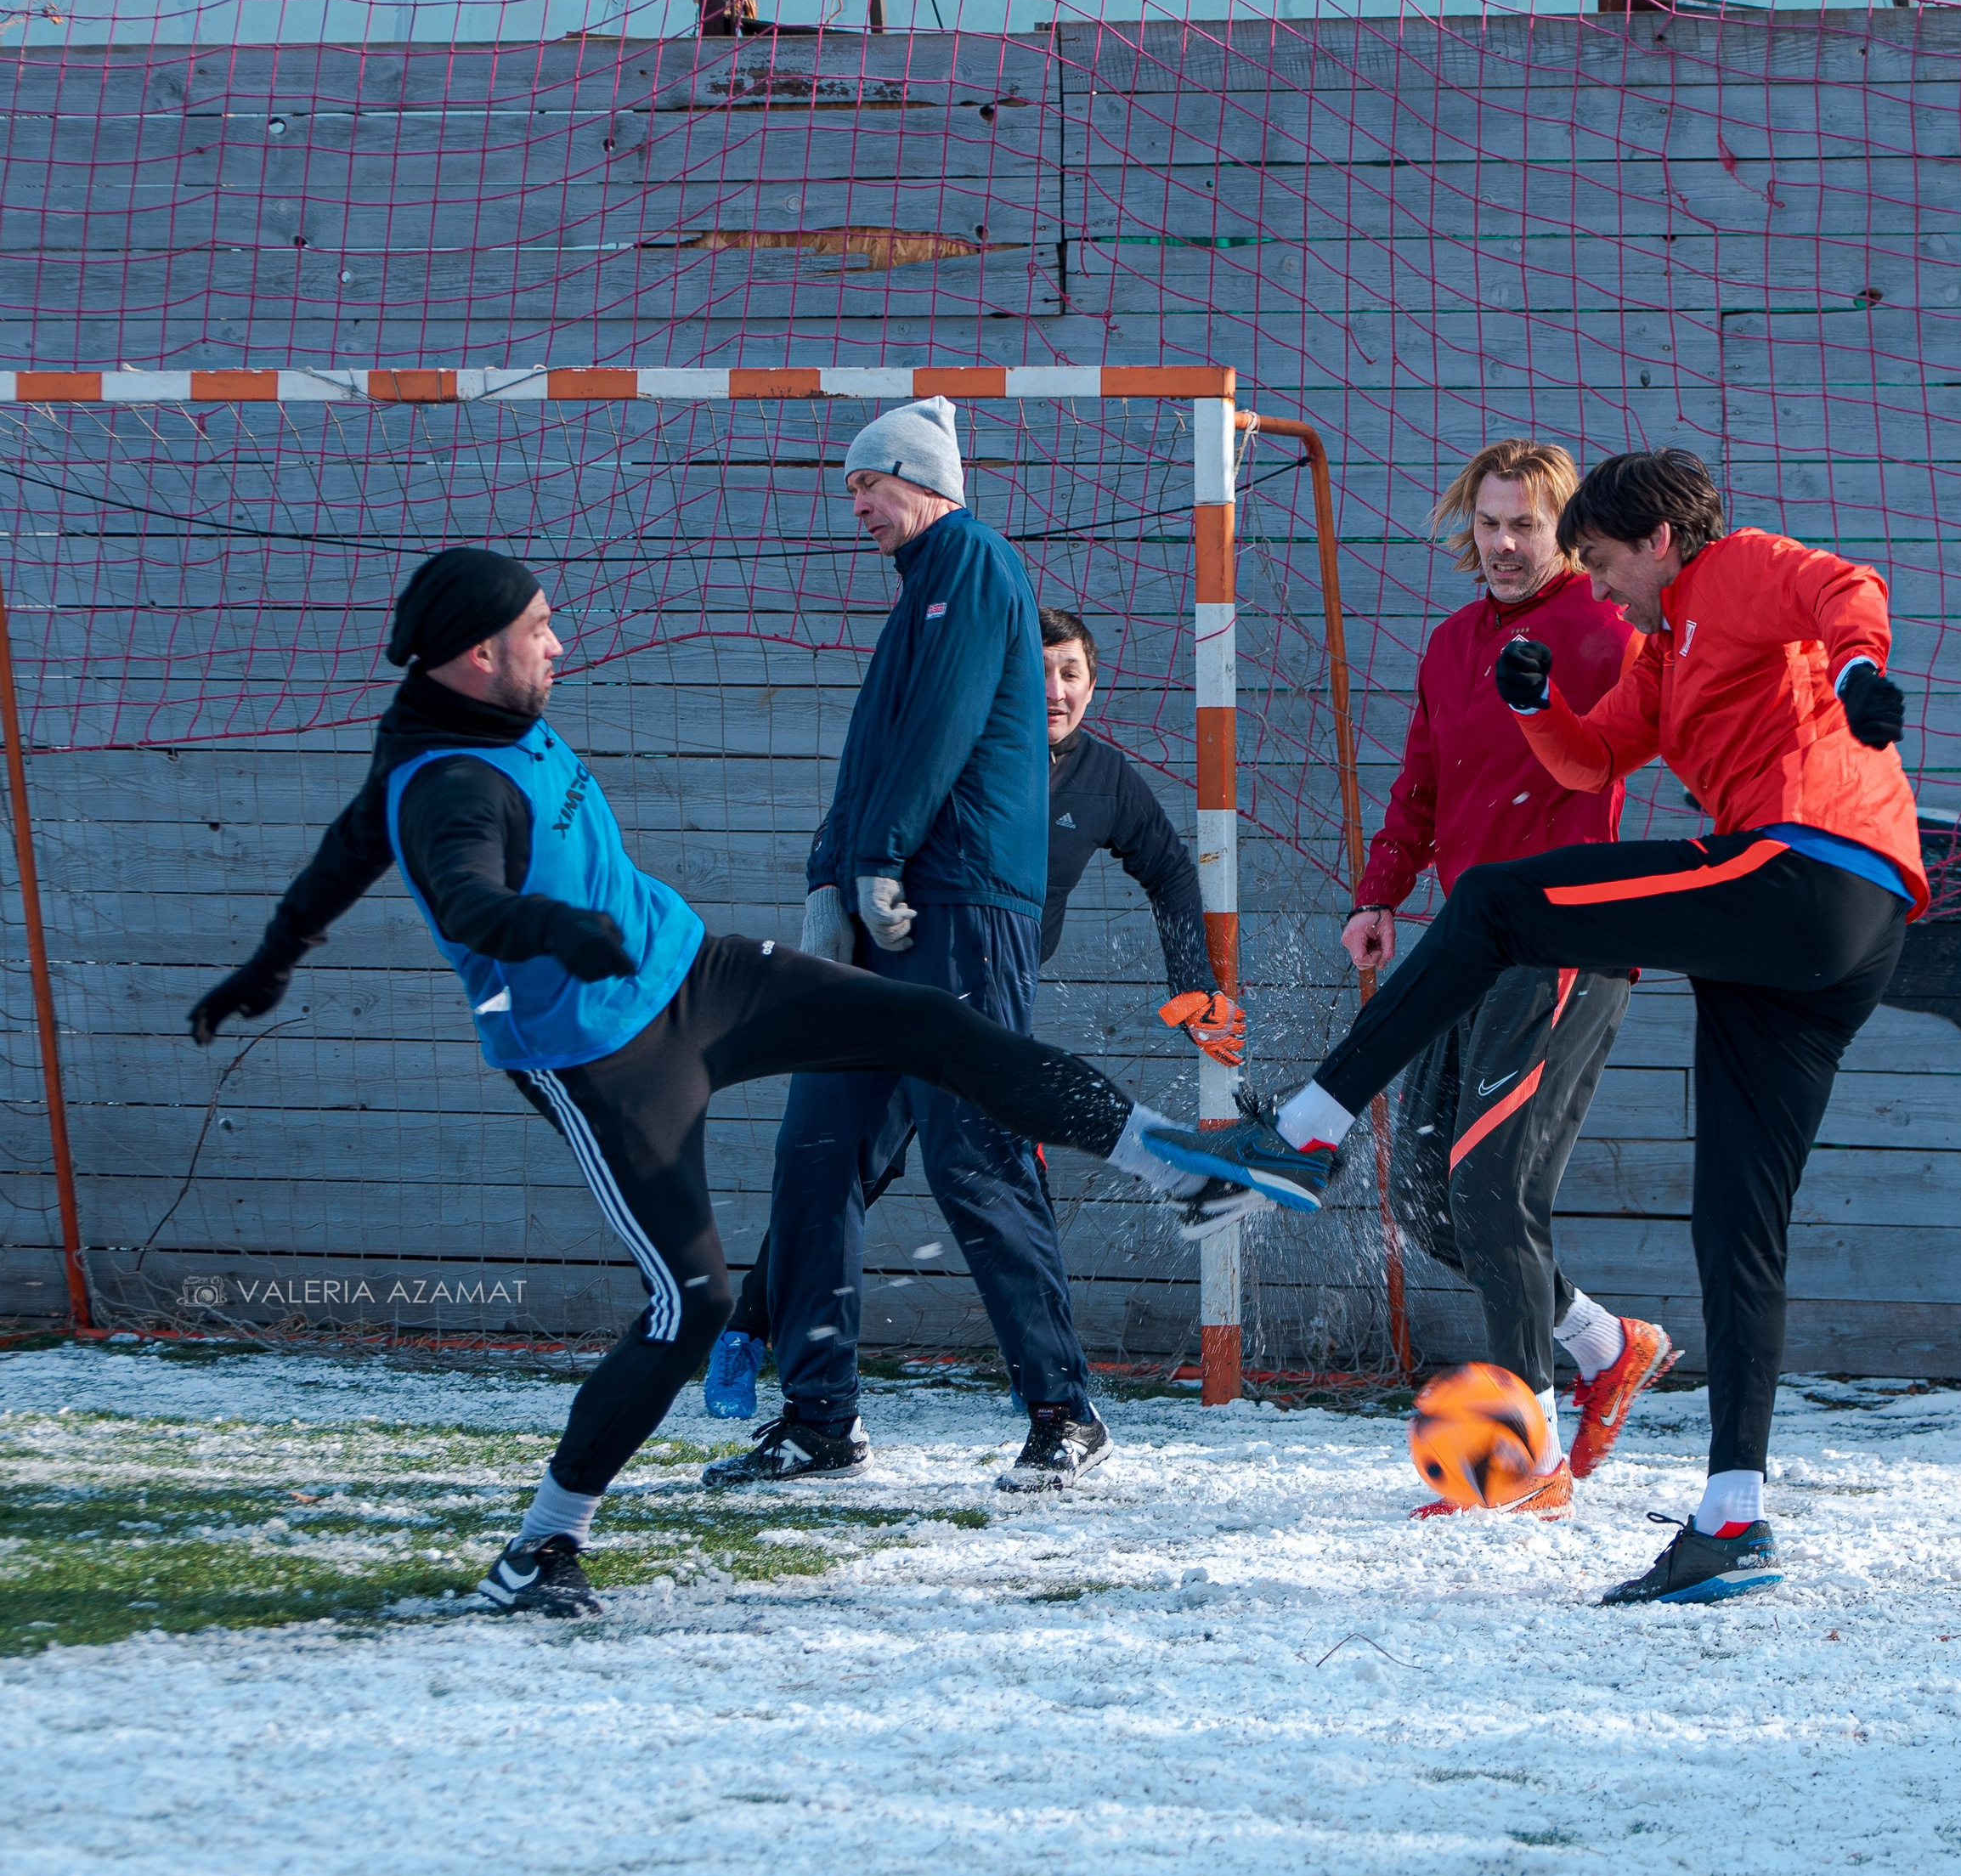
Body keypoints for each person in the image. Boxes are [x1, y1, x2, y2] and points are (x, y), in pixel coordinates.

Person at [186, 545, 1242, 1618]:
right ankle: (545, 1545)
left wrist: (269, 961)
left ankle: (1179, 1168)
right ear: (476, 654)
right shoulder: (455, 783)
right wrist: (555, 929)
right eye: (538, 628)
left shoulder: (464, 718)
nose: (559, 642)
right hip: (608, 1062)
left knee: (934, 1031)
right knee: (693, 1302)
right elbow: (464, 895)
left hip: (701, 975)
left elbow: (346, 844)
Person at [1142, 449, 1918, 1607]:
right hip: (1832, 938)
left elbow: (1846, 587)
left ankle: (1306, 1127)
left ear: (1657, 542)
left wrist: (1857, 671)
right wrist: (1533, 703)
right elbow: (1593, 754)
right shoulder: (1662, 654)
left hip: (1806, 871)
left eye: (1599, 561)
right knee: (1737, 1222)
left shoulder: (1731, 570)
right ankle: (1731, 1519)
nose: (1595, 587)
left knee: (1496, 905)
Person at [706, 399, 1156, 1499]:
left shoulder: (975, 561)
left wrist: (879, 855)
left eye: (869, 483)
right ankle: (820, 1419)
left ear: (921, 477)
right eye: (851, 488)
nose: (856, 505)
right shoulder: (917, 593)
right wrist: (830, 877)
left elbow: (944, 725)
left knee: (974, 1153)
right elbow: (873, 752)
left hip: (956, 907)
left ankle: (1065, 1412)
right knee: (816, 1154)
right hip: (885, 908)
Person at [704, 603, 1242, 1420]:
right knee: (837, 1171)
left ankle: (1051, 1394)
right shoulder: (960, 753)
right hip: (880, 993)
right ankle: (753, 1336)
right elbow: (856, 806)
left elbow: (1168, 871)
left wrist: (1193, 990)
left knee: (1000, 1177)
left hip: (984, 1007)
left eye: (1071, 673)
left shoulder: (1105, 780)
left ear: (1093, 686)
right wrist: (827, 894)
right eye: (1038, 671)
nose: (1055, 690)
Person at [1347, 438, 1674, 1517]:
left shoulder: (1605, 630)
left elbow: (1670, 724)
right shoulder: (1451, 644)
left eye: (1523, 524)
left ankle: (1529, 1462)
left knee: (1492, 1190)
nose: (1500, 544)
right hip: (1465, 944)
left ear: (1564, 531)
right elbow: (1421, 783)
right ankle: (1605, 1345)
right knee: (1425, 1197)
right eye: (1486, 523)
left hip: (1563, 947)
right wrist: (1379, 894)